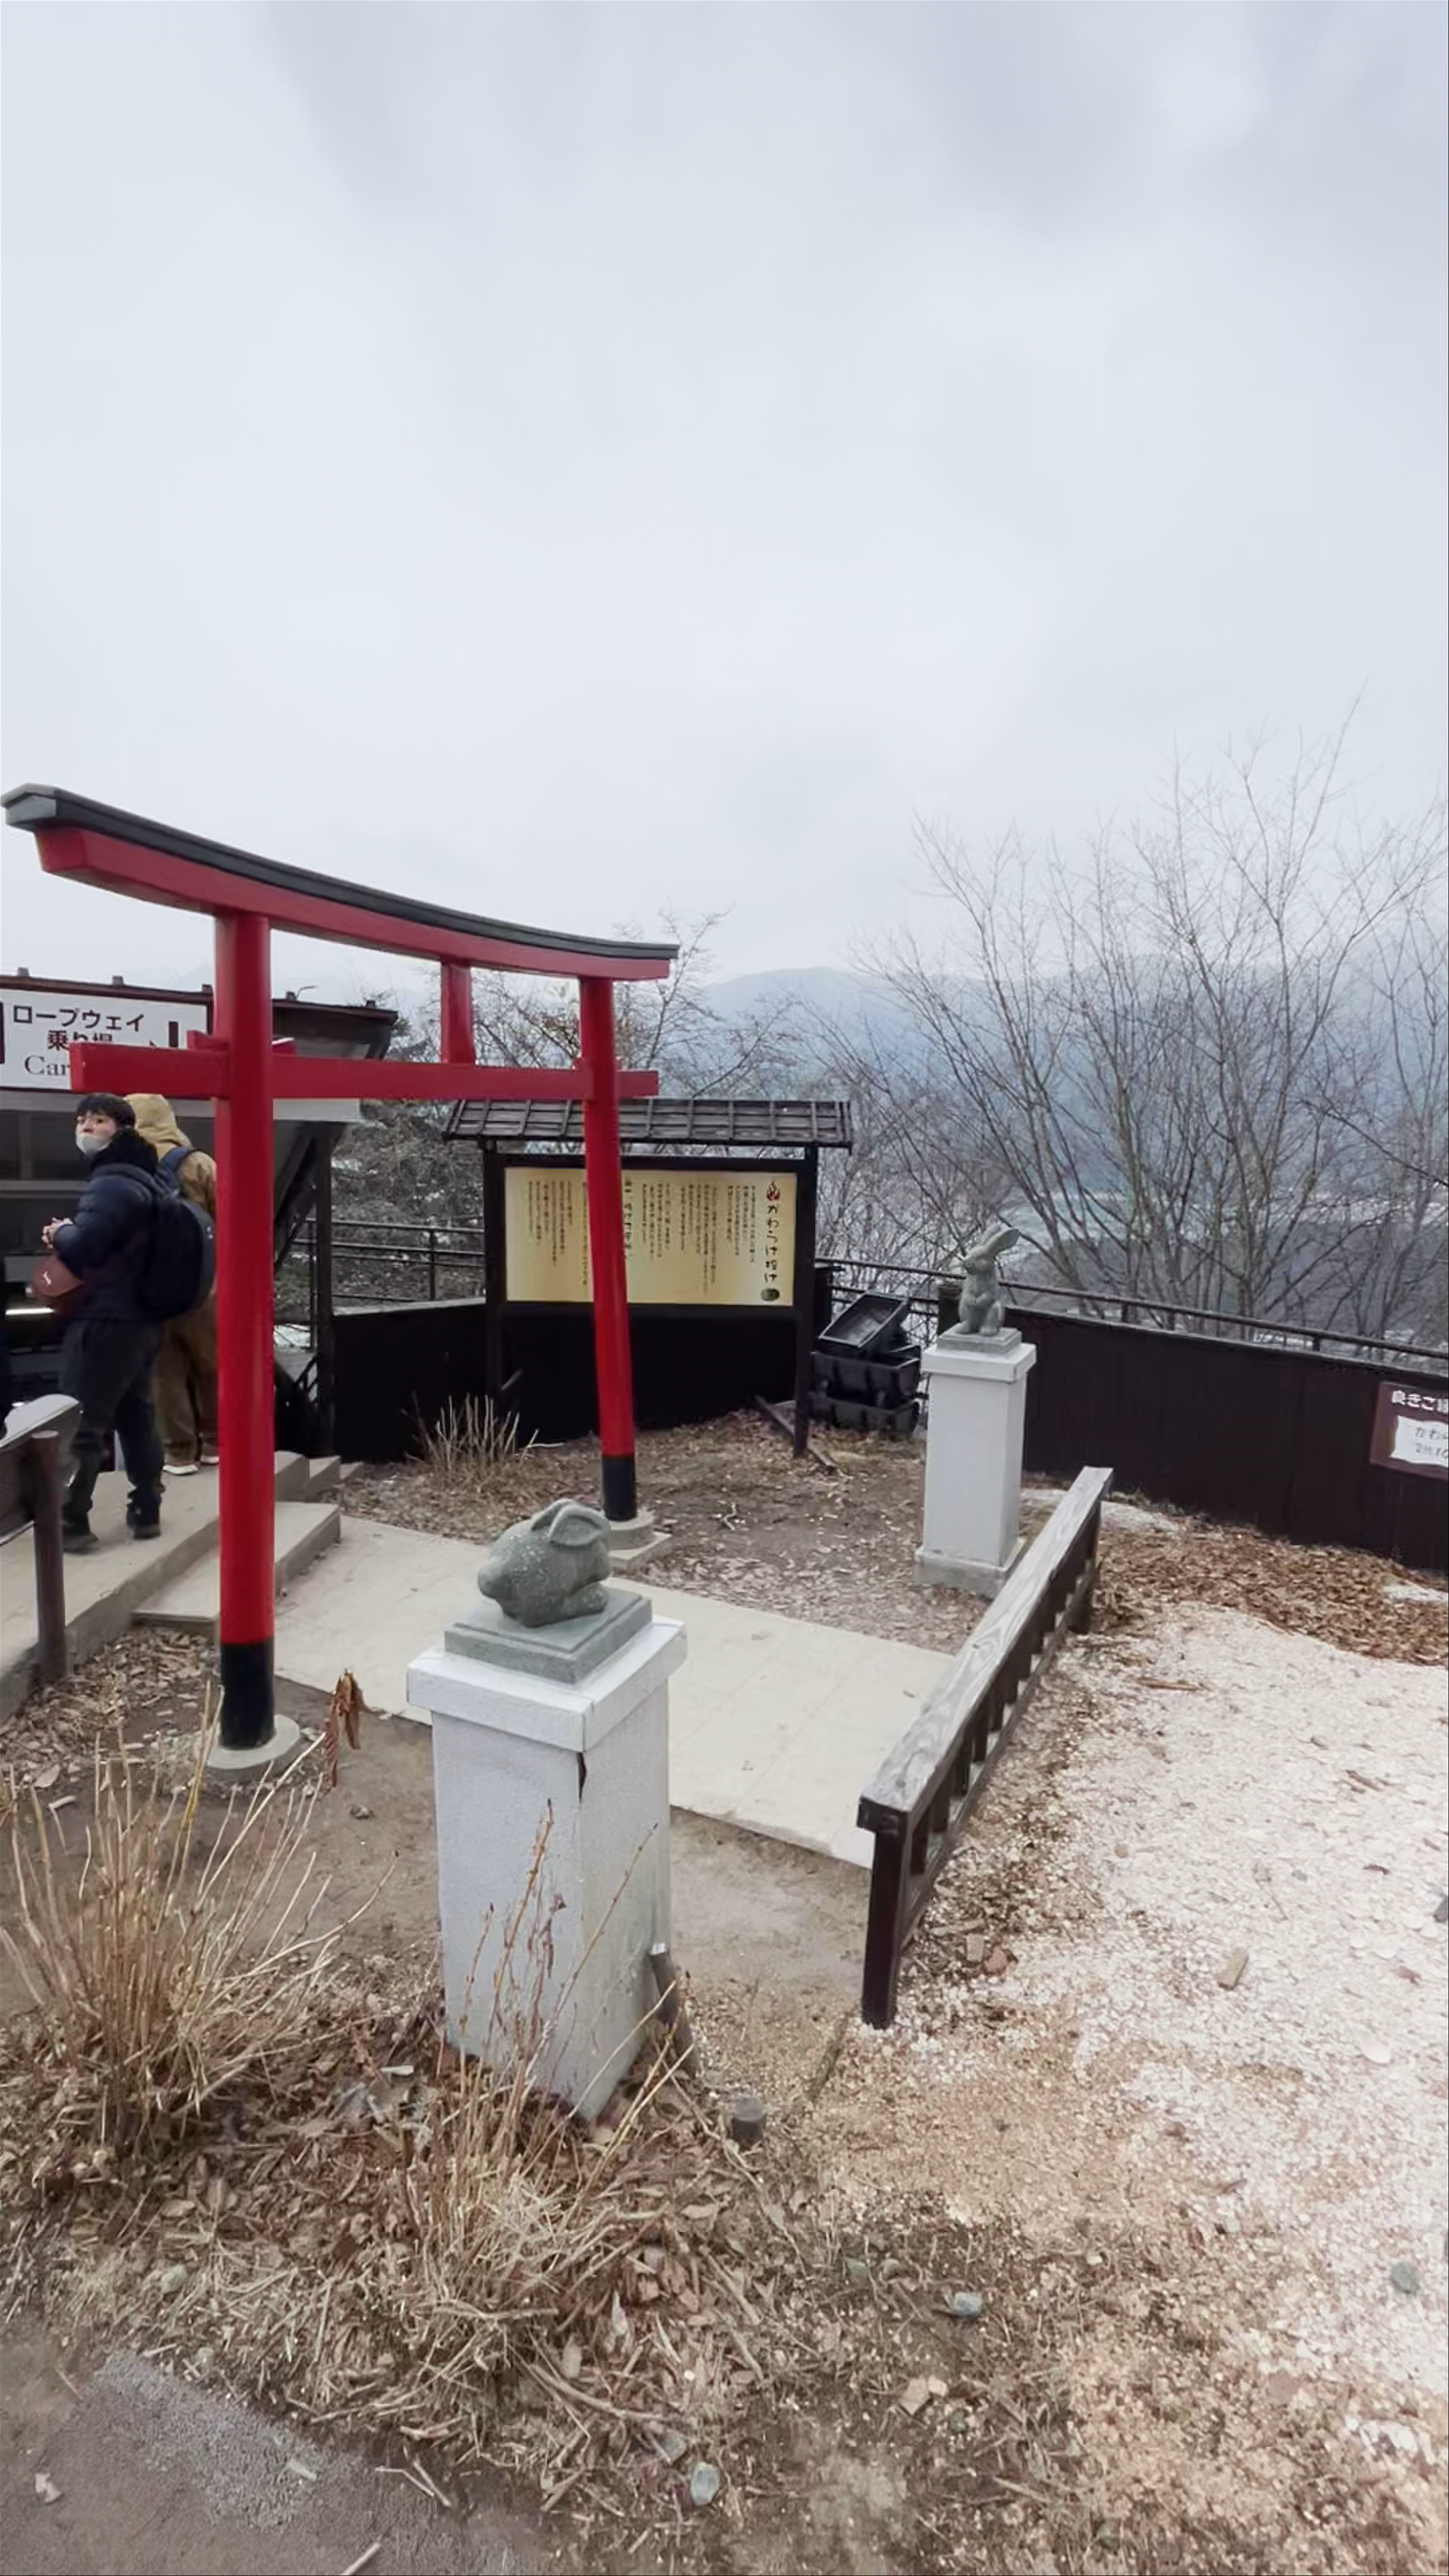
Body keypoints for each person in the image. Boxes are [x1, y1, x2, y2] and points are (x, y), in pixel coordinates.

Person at [42, 1093, 166, 1553]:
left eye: (98, 1120)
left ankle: (70, 1522)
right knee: (138, 1418)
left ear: (124, 1129)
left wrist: (62, 1233)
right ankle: (147, 1511)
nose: (86, 1128)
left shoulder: (110, 1183)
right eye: (81, 1120)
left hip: (104, 1319)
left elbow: (88, 1248)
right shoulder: (150, 1182)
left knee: (83, 1422)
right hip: (143, 1322)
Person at [126, 1093, 219, 1475]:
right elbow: (229, 1218)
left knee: (164, 1372)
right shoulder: (199, 1162)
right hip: (204, 1285)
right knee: (212, 1365)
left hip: (151, 1289)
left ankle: (179, 1453)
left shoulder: (128, 1164)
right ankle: (216, 1442)